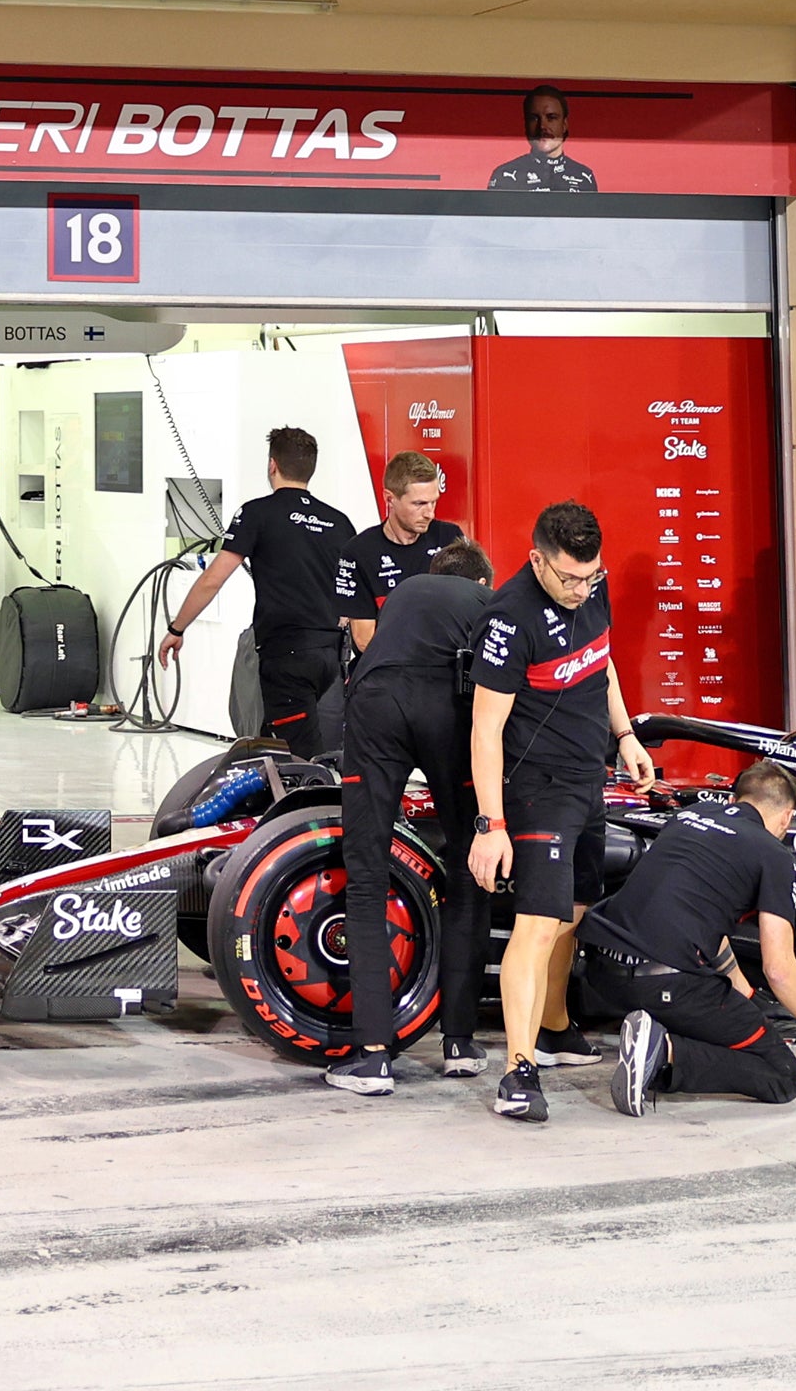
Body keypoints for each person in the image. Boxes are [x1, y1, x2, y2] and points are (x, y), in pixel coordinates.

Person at [470, 500, 655, 1122]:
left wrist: (626, 735)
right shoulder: (509, 616)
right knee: (539, 922)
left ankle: (552, 1027)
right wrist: (491, 825)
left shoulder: (593, 592)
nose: (581, 589)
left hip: (586, 779)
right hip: (534, 787)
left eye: (591, 576)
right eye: (569, 578)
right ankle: (518, 1070)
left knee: (574, 911)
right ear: (536, 561)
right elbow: (485, 729)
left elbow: (601, 663)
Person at [583, 760, 796, 1113]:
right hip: (664, 982)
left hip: (599, 969)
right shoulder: (774, 855)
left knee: (709, 1009)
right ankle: (662, 1050)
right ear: (787, 817)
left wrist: (746, 997)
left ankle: (652, 1040)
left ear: (736, 798)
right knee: (782, 1075)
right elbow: (779, 968)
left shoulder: (691, 816)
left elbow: (703, 923)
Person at [326, 539, 497, 1095]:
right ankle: (460, 1044)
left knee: (367, 875)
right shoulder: (487, 602)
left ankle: (373, 1056)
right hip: (450, 703)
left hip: (376, 700)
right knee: (471, 866)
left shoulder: (402, 593)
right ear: (482, 579)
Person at [158, 426, 357, 759]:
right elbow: (353, 593)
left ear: (272, 465)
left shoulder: (257, 513)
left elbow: (213, 579)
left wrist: (177, 628)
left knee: (301, 757)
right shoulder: (339, 522)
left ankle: (315, 808)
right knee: (272, 741)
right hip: (330, 658)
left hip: (287, 656)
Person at [335, 449, 467, 654]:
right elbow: (363, 639)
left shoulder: (450, 538)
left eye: (434, 502)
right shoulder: (358, 552)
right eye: (419, 504)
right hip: (385, 674)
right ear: (389, 499)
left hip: (442, 673)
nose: (430, 513)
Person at [487, 85, 599, 194]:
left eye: (551, 117)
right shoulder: (506, 175)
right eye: (534, 118)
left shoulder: (583, 176)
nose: (542, 126)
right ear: (526, 124)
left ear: (564, 125)